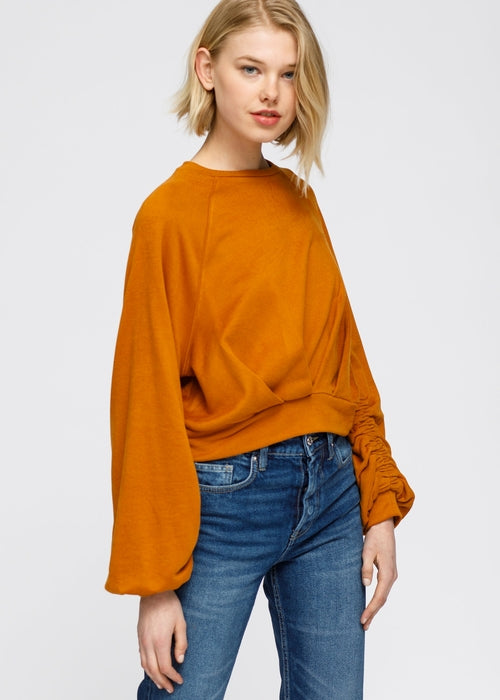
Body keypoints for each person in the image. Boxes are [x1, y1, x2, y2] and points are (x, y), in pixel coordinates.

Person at [105, 1, 415, 697]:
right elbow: (145, 399)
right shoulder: (168, 217)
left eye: (288, 73)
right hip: (226, 502)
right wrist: (155, 582)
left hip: (331, 495)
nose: (271, 91)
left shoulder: (299, 201)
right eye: (251, 69)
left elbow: (345, 364)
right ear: (207, 69)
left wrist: (379, 504)